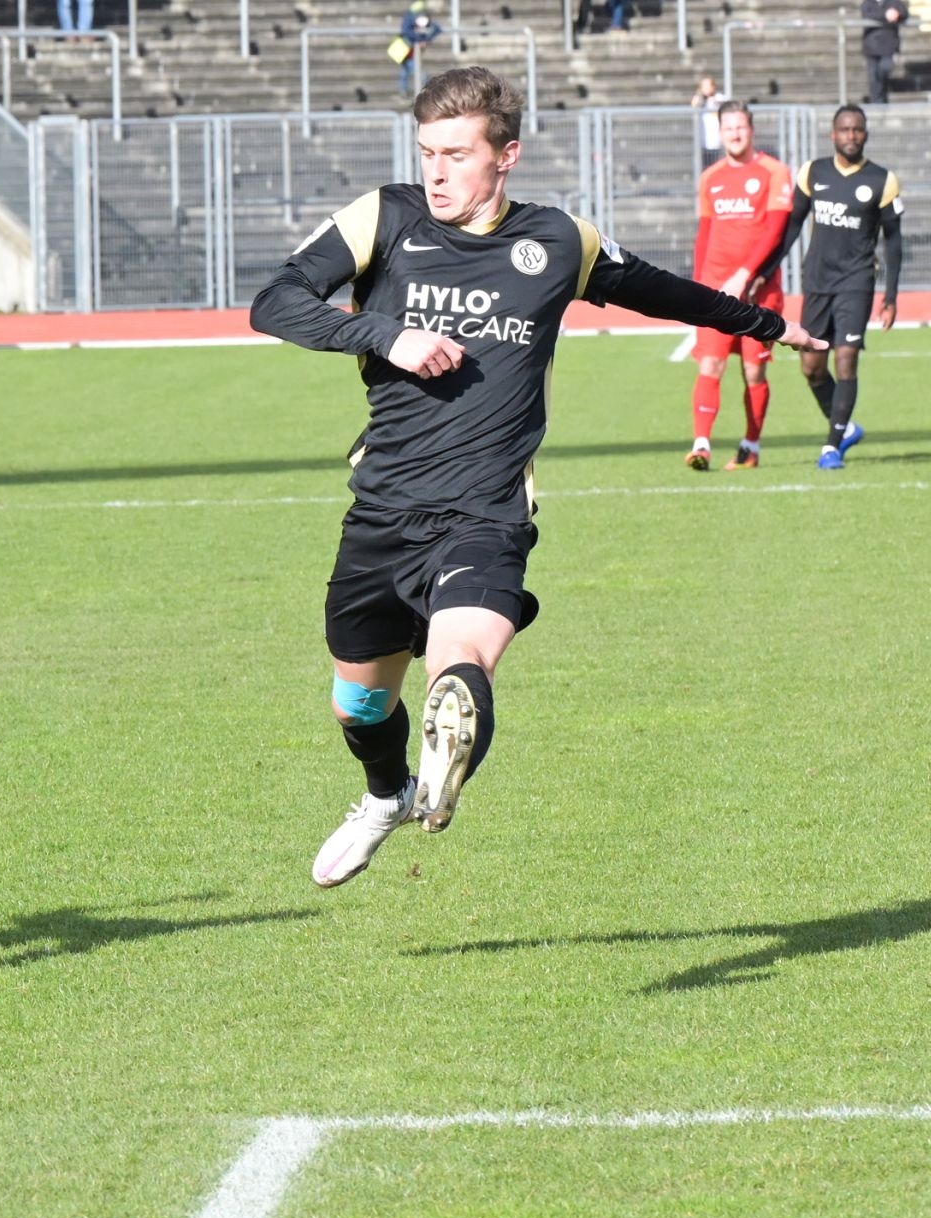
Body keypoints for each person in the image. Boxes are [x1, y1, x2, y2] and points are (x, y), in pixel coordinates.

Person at [247, 66, 823, 889]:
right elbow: (275, 300)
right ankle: (386, 794)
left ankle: (446, 754)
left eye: (456, 154)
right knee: (359, 705)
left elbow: (665, 292)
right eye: (427, 153)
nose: (436, 172)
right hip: (382, 510)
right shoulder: (386, 216)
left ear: (505, 156)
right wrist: (383, 334)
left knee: (461, 664)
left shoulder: (558, 241)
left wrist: (770, 323)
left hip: (486, 513)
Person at [754, 104, 903, 470]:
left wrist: (890, 297)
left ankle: (831, 447)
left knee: (846, 358)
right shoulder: (813, 173)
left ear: (865, 134)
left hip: (857, 281)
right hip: (818, 281)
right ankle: (846, 427)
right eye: (845, 129)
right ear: (832, 134)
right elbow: (792, 227)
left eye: (857, 129)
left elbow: (894, 240)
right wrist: (765, 271)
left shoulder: (883, 180)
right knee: (811, 367)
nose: (851, 135)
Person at [684, 100, 792, 471]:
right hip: (716, 289)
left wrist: (745, 274)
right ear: (719, 132)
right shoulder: (710, 178)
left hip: (758, 292)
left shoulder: (774, 172)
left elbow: (775, 231)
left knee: (754, 371)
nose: (735, 134)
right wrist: (698, 286)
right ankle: (701, 446)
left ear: (752, 130)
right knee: (710, 364)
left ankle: (750, 446)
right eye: (728, 128)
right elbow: (704, 234)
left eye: (740, 127)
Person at [862, 0, 909, 104]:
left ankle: (882, 96)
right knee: (873, 77)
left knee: (885, 69)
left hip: (888, 45)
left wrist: (897, 14)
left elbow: (904, 13)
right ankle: (876, 101)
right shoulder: (868, 3)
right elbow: (867, 14)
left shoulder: (894, 2)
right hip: (872, 45)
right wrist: (886, 15)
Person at [394, 0, 441, 94]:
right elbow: (406, 31)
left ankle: (404, 90)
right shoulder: (410, 17)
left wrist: (425, 39)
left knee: (406, 71)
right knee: (416, 72)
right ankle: (425, 91)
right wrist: (421, 39)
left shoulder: (413, 17)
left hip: (409, 51)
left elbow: (436, 28)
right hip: (407, 50)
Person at [691, 76, 723, 170]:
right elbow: (694, 106)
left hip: (716, 141)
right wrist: (699, 96)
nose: (706, 88)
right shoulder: (699, 100)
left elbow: (724, 104)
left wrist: (713, 100)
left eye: (708, 85)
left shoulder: (719, 98)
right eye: (703, 86)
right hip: (703, 142)